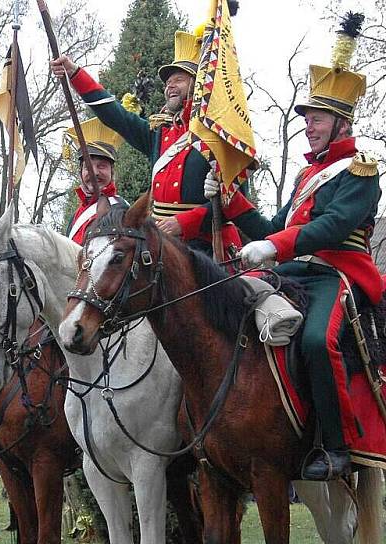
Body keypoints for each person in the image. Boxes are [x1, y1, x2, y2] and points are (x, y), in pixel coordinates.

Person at [175, 14, 381, 480]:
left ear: (342, 121)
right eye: (307, 118)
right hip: (290, 274)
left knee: (315, 341)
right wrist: (232, 201)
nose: (309, 126)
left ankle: (334, 446)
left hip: (337, 274)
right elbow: (269, 225)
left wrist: (273, 246)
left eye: (318, 118)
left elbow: (331, 229)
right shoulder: (307, 175)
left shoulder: (360, 173)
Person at [50, 27, 244, 260]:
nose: (169, 86)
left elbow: (235, 202)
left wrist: (183, 222)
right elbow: (116, 115)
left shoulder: (218, 135)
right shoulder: (159, 135)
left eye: (178, 80)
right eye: (168, 82)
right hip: (164, 247)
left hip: (208, 249)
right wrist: (75, 74)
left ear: (200, 84)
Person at [61, 118, 129, 244]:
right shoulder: (76, 216)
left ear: (112, 171)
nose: (95, 173)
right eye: (88, 167)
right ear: (81, 172)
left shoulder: (121, 210)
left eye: (102, 166)